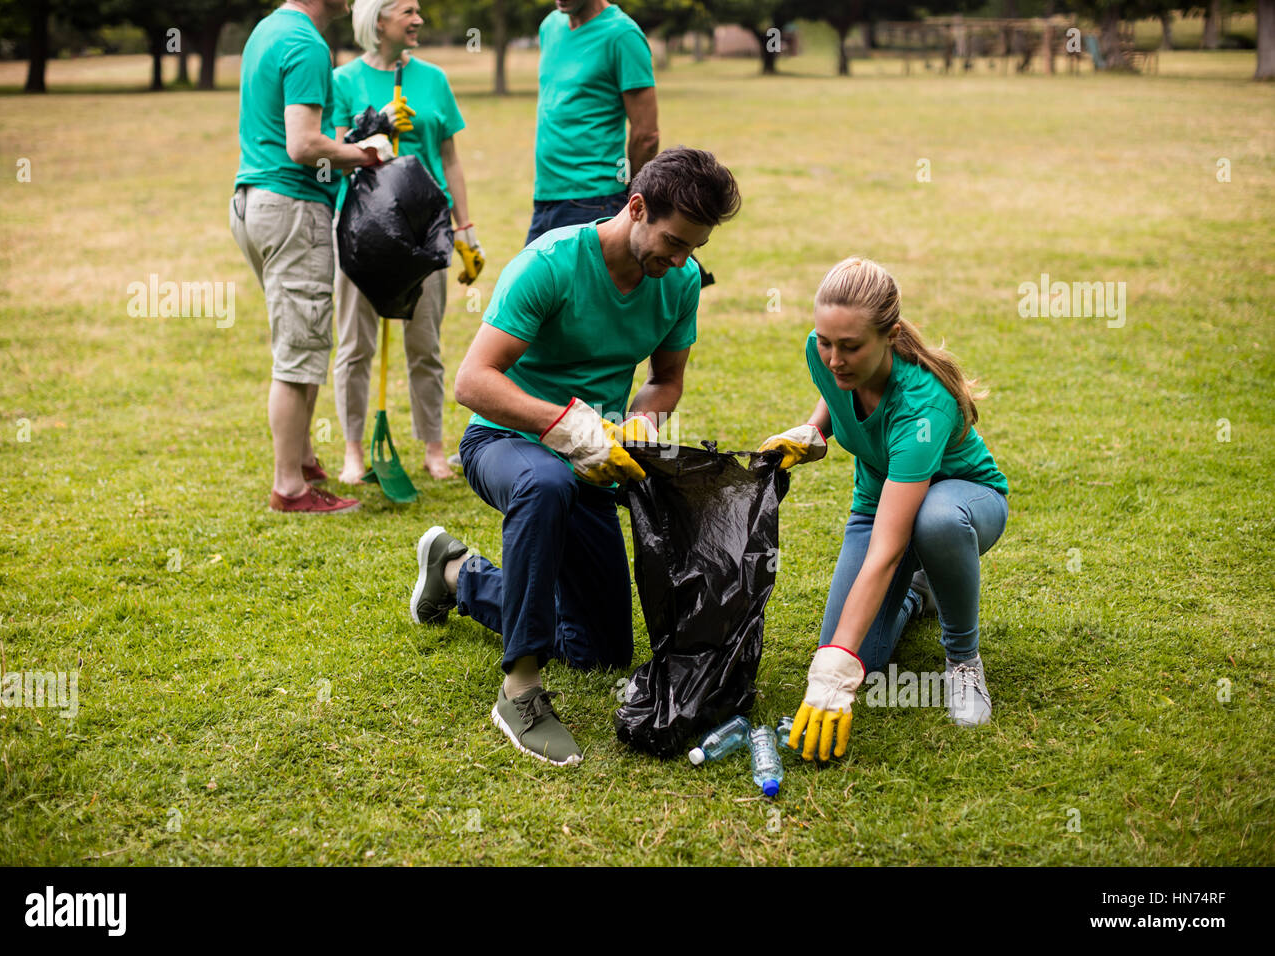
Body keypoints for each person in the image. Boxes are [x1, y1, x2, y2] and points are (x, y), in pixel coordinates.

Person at [408, 148, 741, 767]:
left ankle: (455, 574)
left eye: (692, 249)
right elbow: (473, 382)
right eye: (672, 242)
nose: (679, 262)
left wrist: (641, 420)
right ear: (636, 207)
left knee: (600, 650)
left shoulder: (680, 282)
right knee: (545, 484)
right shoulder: (550, 265)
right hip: (508, 443)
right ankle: (520, 691)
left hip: (593, 461)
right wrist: (568, 427)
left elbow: (666, 378)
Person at [760, 258, 1010, 763]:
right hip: (879, 505)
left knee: (931, 523)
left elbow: (887, 549)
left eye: (850, 346)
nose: (833, 358)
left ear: (890, 335)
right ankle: (922, 594)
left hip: (963, 501)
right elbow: (835, 390)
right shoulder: (825, 353)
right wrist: (813, 430)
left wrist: (831, 677)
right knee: (862, 661)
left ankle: (963, 662)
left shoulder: (923, 405)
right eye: (825, 341)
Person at [230, 0, 406, 513]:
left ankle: (302, 456)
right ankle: (291, 488)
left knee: (297, 332)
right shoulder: (306, 43)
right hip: (291, 206)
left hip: (252, 202)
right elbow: (303, 144)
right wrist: (366, 154)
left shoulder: (269, 30)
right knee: (301, 350)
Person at [332, 0, 483, 484]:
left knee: (426, 344)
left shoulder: (434, 79)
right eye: (408, 11)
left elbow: (450, 160)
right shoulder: (343, 80)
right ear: (379, 20)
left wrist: (465, 229)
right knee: (356, 344)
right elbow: (336, 154)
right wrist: (375, 127)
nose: (419, 19)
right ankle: (354, 452)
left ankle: (434, 449)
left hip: (425, 228)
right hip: (363, 230)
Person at [525, 0, 659, 246]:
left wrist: (630, 194)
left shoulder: (622, 35)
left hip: (596, 200)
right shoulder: (550, 26)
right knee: (532, 284)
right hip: (545, 195)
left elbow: (646, 134)